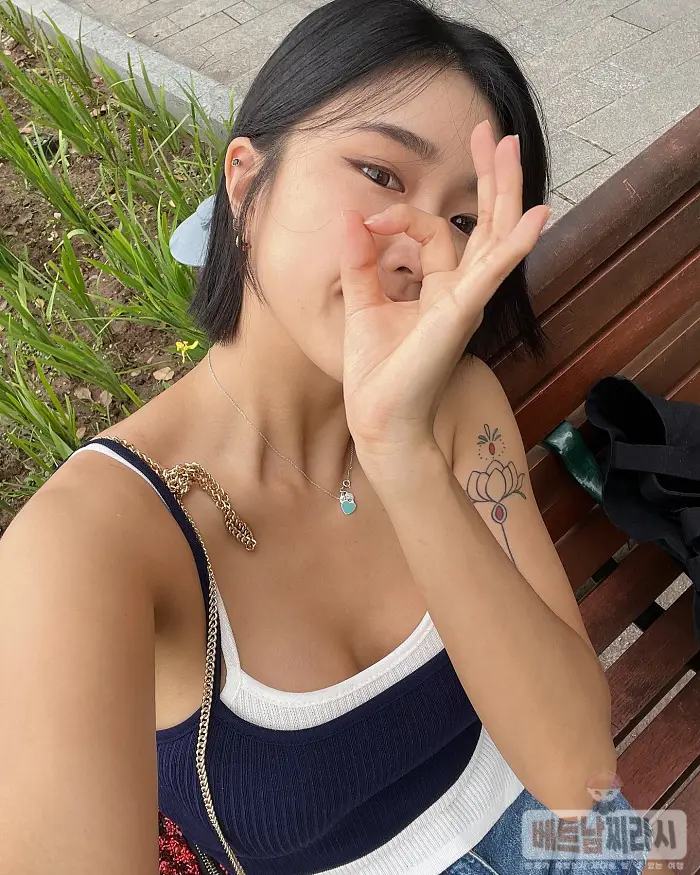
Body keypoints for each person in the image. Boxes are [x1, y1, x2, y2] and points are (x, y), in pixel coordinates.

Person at [0, 1, 662, 873]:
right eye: (381, 174)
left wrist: (399, 448)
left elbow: (583, 780)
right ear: (246, 183)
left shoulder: (456, 407)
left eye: (466, 222)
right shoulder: (89, 543)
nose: (421, 247)